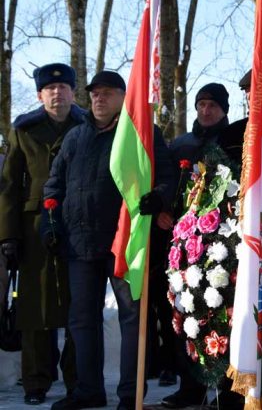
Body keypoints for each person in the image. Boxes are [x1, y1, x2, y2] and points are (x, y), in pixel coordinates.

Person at [44, 70, 174, 410]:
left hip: (123, 243)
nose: (98, 98)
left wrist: (159, 198)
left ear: (122, 97)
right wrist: (51, 222)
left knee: (132, 318)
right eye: (94, 93)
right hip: (79, 241)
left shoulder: (141, 133)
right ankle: (88, 390)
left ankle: (131, 396)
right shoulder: (75, 138)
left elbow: (165, 174)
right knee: (82, 319)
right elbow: (54, 185)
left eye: (107, 93)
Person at [0, 63, 83, 405]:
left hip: (77, 222)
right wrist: (8, 236)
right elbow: (8, 185)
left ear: (73, 93)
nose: (56, 93)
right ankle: (36, 381)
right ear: (39, 94)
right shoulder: (24, 129)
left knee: (79, 302)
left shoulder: (87, 125)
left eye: (63, 88)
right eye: (49, 89)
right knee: (33, 307)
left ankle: (78, 378)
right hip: (34, 225)